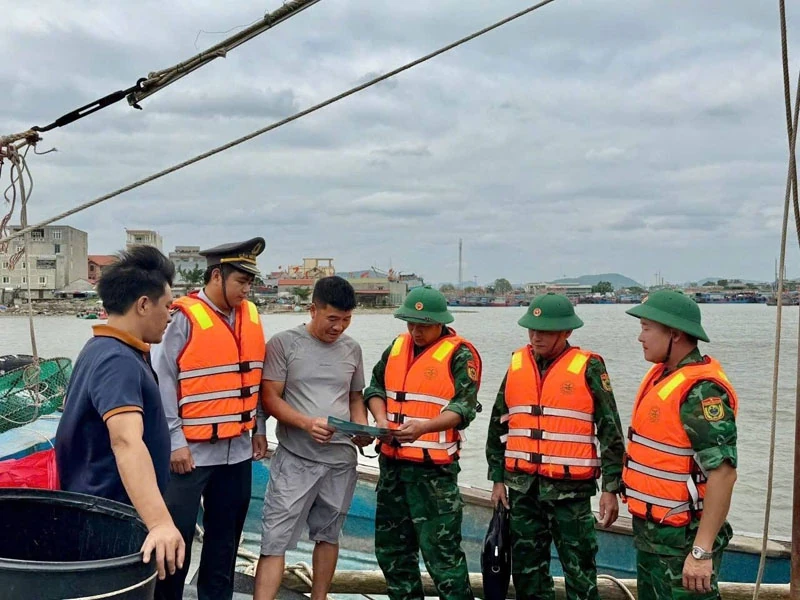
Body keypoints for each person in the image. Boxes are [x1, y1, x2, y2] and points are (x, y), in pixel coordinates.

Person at [55, 245, 185, 581]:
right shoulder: (118, 362)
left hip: (95, 511)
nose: (170, 317)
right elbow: (126, 441)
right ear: (143, 304)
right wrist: (159, 522)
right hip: (109, 520)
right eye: (167, 306)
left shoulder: (100, 349)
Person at [485, 292, 625, 600]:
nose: (536, 337)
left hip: (570, 495)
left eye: (545, 331)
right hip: (523, 492)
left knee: (580, 575)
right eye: (532, 330)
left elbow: (610, 430)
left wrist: (611, 488)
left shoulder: (589, 367)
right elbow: (499, 424)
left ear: (567, 332)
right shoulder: (517, 364)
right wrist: (497, 478)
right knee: (527, 575)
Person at [151, 238, 268, 600]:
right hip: (190, 456)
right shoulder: (182, 319)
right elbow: (162, 381)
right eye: (240, 282)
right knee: (177, 541)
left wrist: (259, 428)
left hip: (237, 453)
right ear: (217, 276)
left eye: (250, 283)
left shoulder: (250, 316)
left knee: (225, 544)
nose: (246, 290)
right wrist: (175, 442)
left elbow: (254, 377)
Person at [365, 286, 482, 600]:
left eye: (423, 325)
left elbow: (463, 407)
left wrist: (424, 427)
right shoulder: (396, 347)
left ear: (440, 323)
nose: (415, 331)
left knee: (442, 558)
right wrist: (380, 420)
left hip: (433, 476)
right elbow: (374, 388)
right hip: (392, 469)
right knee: (393, 553)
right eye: (411, 324)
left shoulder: (461, 354)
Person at [254, 276, 368, 600]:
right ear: (313, 309)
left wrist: (361, 427)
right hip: (296, 459)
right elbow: (270, 398)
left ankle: (320, 598)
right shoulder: (283, 343)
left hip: (340, 460)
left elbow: (356, 397)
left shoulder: (353, 349)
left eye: (346, 320)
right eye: (332, 319)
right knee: (274, 539)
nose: (339, 327)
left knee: (329, 535)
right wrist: (306, 423)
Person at [623, 290, 738, 600]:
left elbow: (723, 473)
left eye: (647, 328)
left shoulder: (701, 391)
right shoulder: (664, 376)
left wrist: (700, 553)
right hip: (654, 539)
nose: (640, 337)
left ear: (674, 333)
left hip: (682, 544)